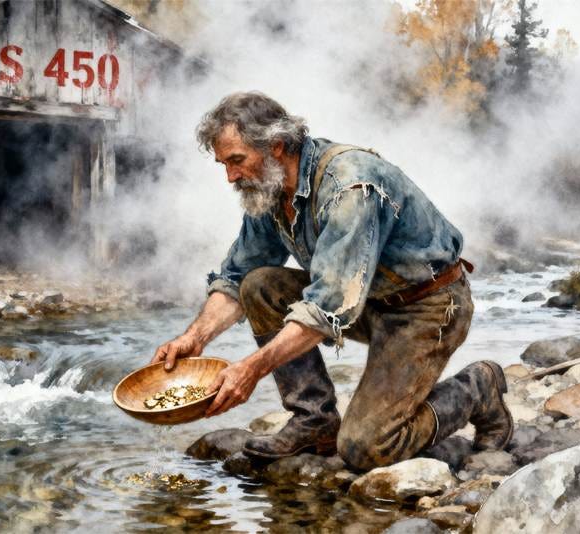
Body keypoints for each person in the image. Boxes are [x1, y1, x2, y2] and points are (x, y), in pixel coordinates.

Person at [151, 92, 512, 470]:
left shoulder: (349, 185)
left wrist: (251, 368)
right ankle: (314, 419)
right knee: (259, 285)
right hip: (369, 302)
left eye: (237, 161)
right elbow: (238, 276)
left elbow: (327, 307)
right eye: (223, 164)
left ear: (275, 146)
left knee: (367, 447)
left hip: (427, 307)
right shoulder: (269, 188)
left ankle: (477, 389)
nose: (230, 176)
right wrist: (194, 338)